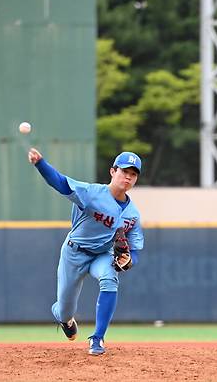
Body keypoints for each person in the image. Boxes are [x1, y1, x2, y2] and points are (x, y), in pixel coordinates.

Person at [28, 148, 145, 356]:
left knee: (110, 278)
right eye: (124, 171)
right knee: (65, 309)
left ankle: (98, 338)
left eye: (133, 173)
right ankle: (63, 318)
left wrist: (129, 260)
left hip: (101, 255)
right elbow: (62, 183)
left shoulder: (133, 214)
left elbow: (134, 249)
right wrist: (41, 164)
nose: (128, 176)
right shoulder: (92, 193)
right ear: (112, 171)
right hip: (74, 253)